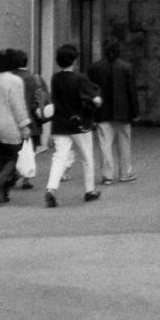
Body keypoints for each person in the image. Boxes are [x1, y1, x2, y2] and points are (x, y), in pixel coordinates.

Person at [45, 43, 103, 208]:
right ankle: (89, 190)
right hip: (79, 124)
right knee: (86, 157)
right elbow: (95, 99)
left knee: (59, 158)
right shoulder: (80, 78)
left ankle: (51, 188)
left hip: (60, 123)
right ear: (74, 60)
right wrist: (97, 101)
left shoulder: (55, 78)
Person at [0, 48, 32, 204]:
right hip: (8, 126)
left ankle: (2, 194)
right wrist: (24, 126)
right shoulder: (15, 81)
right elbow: (18, 106)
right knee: (14, 158)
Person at [89, 38, 139, 184]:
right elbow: (131, 92)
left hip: (102, 111)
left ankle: (107, 175)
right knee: (124, 143)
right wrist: (135, 111)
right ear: (118, 51)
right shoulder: (126, 67)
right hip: (123, 112)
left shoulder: (94, 68)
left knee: (105, 144)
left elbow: (91, 90)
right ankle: (125, 173)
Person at [14, 50, 51, 189]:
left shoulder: (11, 78)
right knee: (31, 149)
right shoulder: (36, 78)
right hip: (33, 121)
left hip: (15, 121)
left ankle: (14, 173)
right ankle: (26, 179)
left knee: (15, 149)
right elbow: (46, 97)